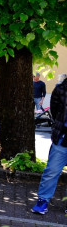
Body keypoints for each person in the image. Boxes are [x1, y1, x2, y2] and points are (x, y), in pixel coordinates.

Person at [32, 73, 67, 215]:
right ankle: (42, 201)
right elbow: (55, 110)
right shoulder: (61, 89)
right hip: (62, 138)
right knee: (52, 171)